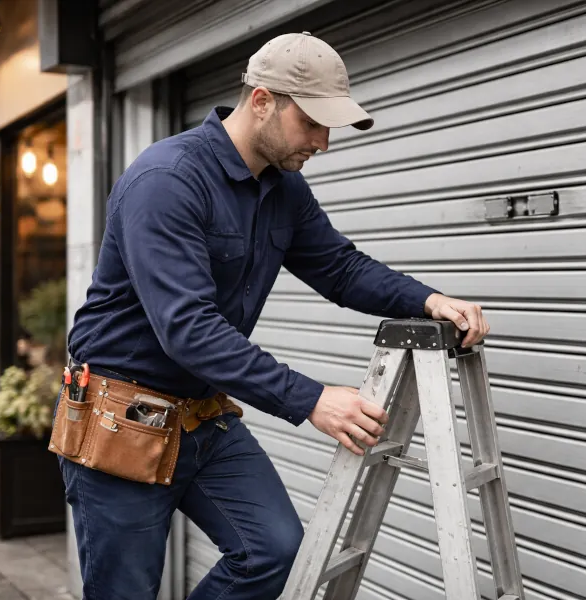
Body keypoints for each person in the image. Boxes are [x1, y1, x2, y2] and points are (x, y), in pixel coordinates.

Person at [56, 31, 489, 600]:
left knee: (273, 550)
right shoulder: (167, 182)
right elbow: (189, 329)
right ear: (262, 101)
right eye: (312, 123)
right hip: (122, 420)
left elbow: (339, 267)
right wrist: (309, 398)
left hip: (199, 416)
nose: (324, 142)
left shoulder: (282, 186)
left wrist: (428, 300)